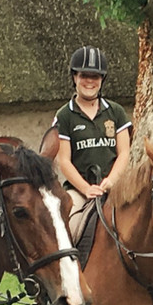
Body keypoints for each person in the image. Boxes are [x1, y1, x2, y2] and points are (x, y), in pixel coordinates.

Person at [52, 45, 131, 231]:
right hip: (79, 191)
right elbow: (63, 160)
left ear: (102, 79)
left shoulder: (116, 112)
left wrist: (111, 181)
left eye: (94, 76)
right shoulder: (64, 116)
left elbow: (124, 153)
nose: (89, 81)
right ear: (74, 77)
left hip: (115, 187)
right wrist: (86, 188)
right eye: (84, 75)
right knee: (69, 226)